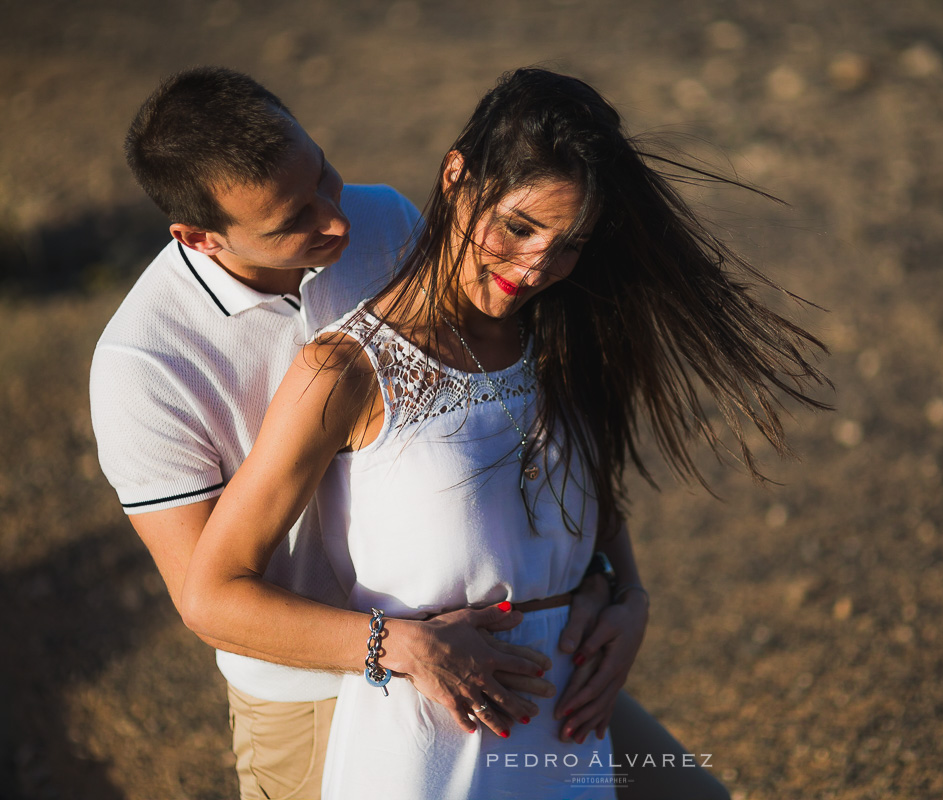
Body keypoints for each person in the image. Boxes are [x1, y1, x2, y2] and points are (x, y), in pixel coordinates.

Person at [181, 68, 829, 798]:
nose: (536, 267)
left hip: (565, 744)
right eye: (520, 227)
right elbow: (212, 595)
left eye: (569, 243)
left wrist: (628, 596)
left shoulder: (556, 336)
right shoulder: (344, 373)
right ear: (457, 177)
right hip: (426, 757)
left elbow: (581, 500)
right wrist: (400, 645)